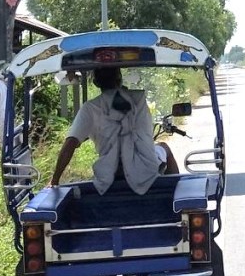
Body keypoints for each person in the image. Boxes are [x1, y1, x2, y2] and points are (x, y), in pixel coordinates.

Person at [47, 66, 179, 194]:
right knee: (164, 147)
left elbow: (70, 143)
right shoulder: (138, 97)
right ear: (120, 78)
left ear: (96, 83)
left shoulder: (90, 108)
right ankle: (175, 191)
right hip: (144, 167)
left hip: (112, 170)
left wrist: (55, 180)